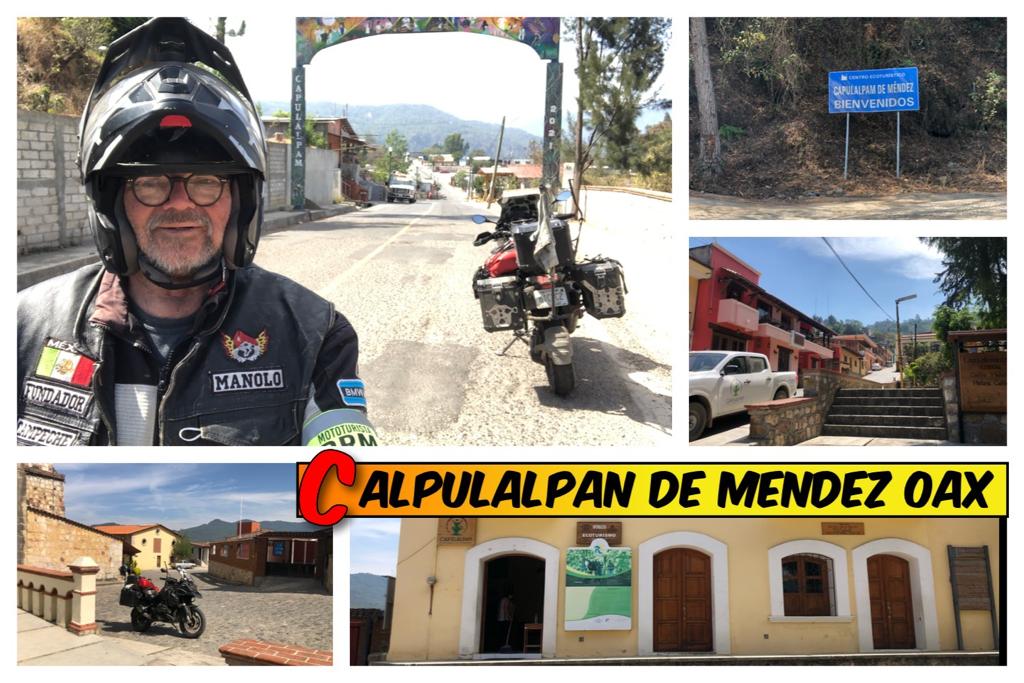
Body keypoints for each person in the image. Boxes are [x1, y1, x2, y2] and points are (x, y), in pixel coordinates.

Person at [17, 18, 375, 446]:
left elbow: (347, 486)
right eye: (149, 182)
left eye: (207, 181)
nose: (180, 203)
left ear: (240, 201)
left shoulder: (316, 333)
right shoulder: (24, 327)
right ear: (111, 202)